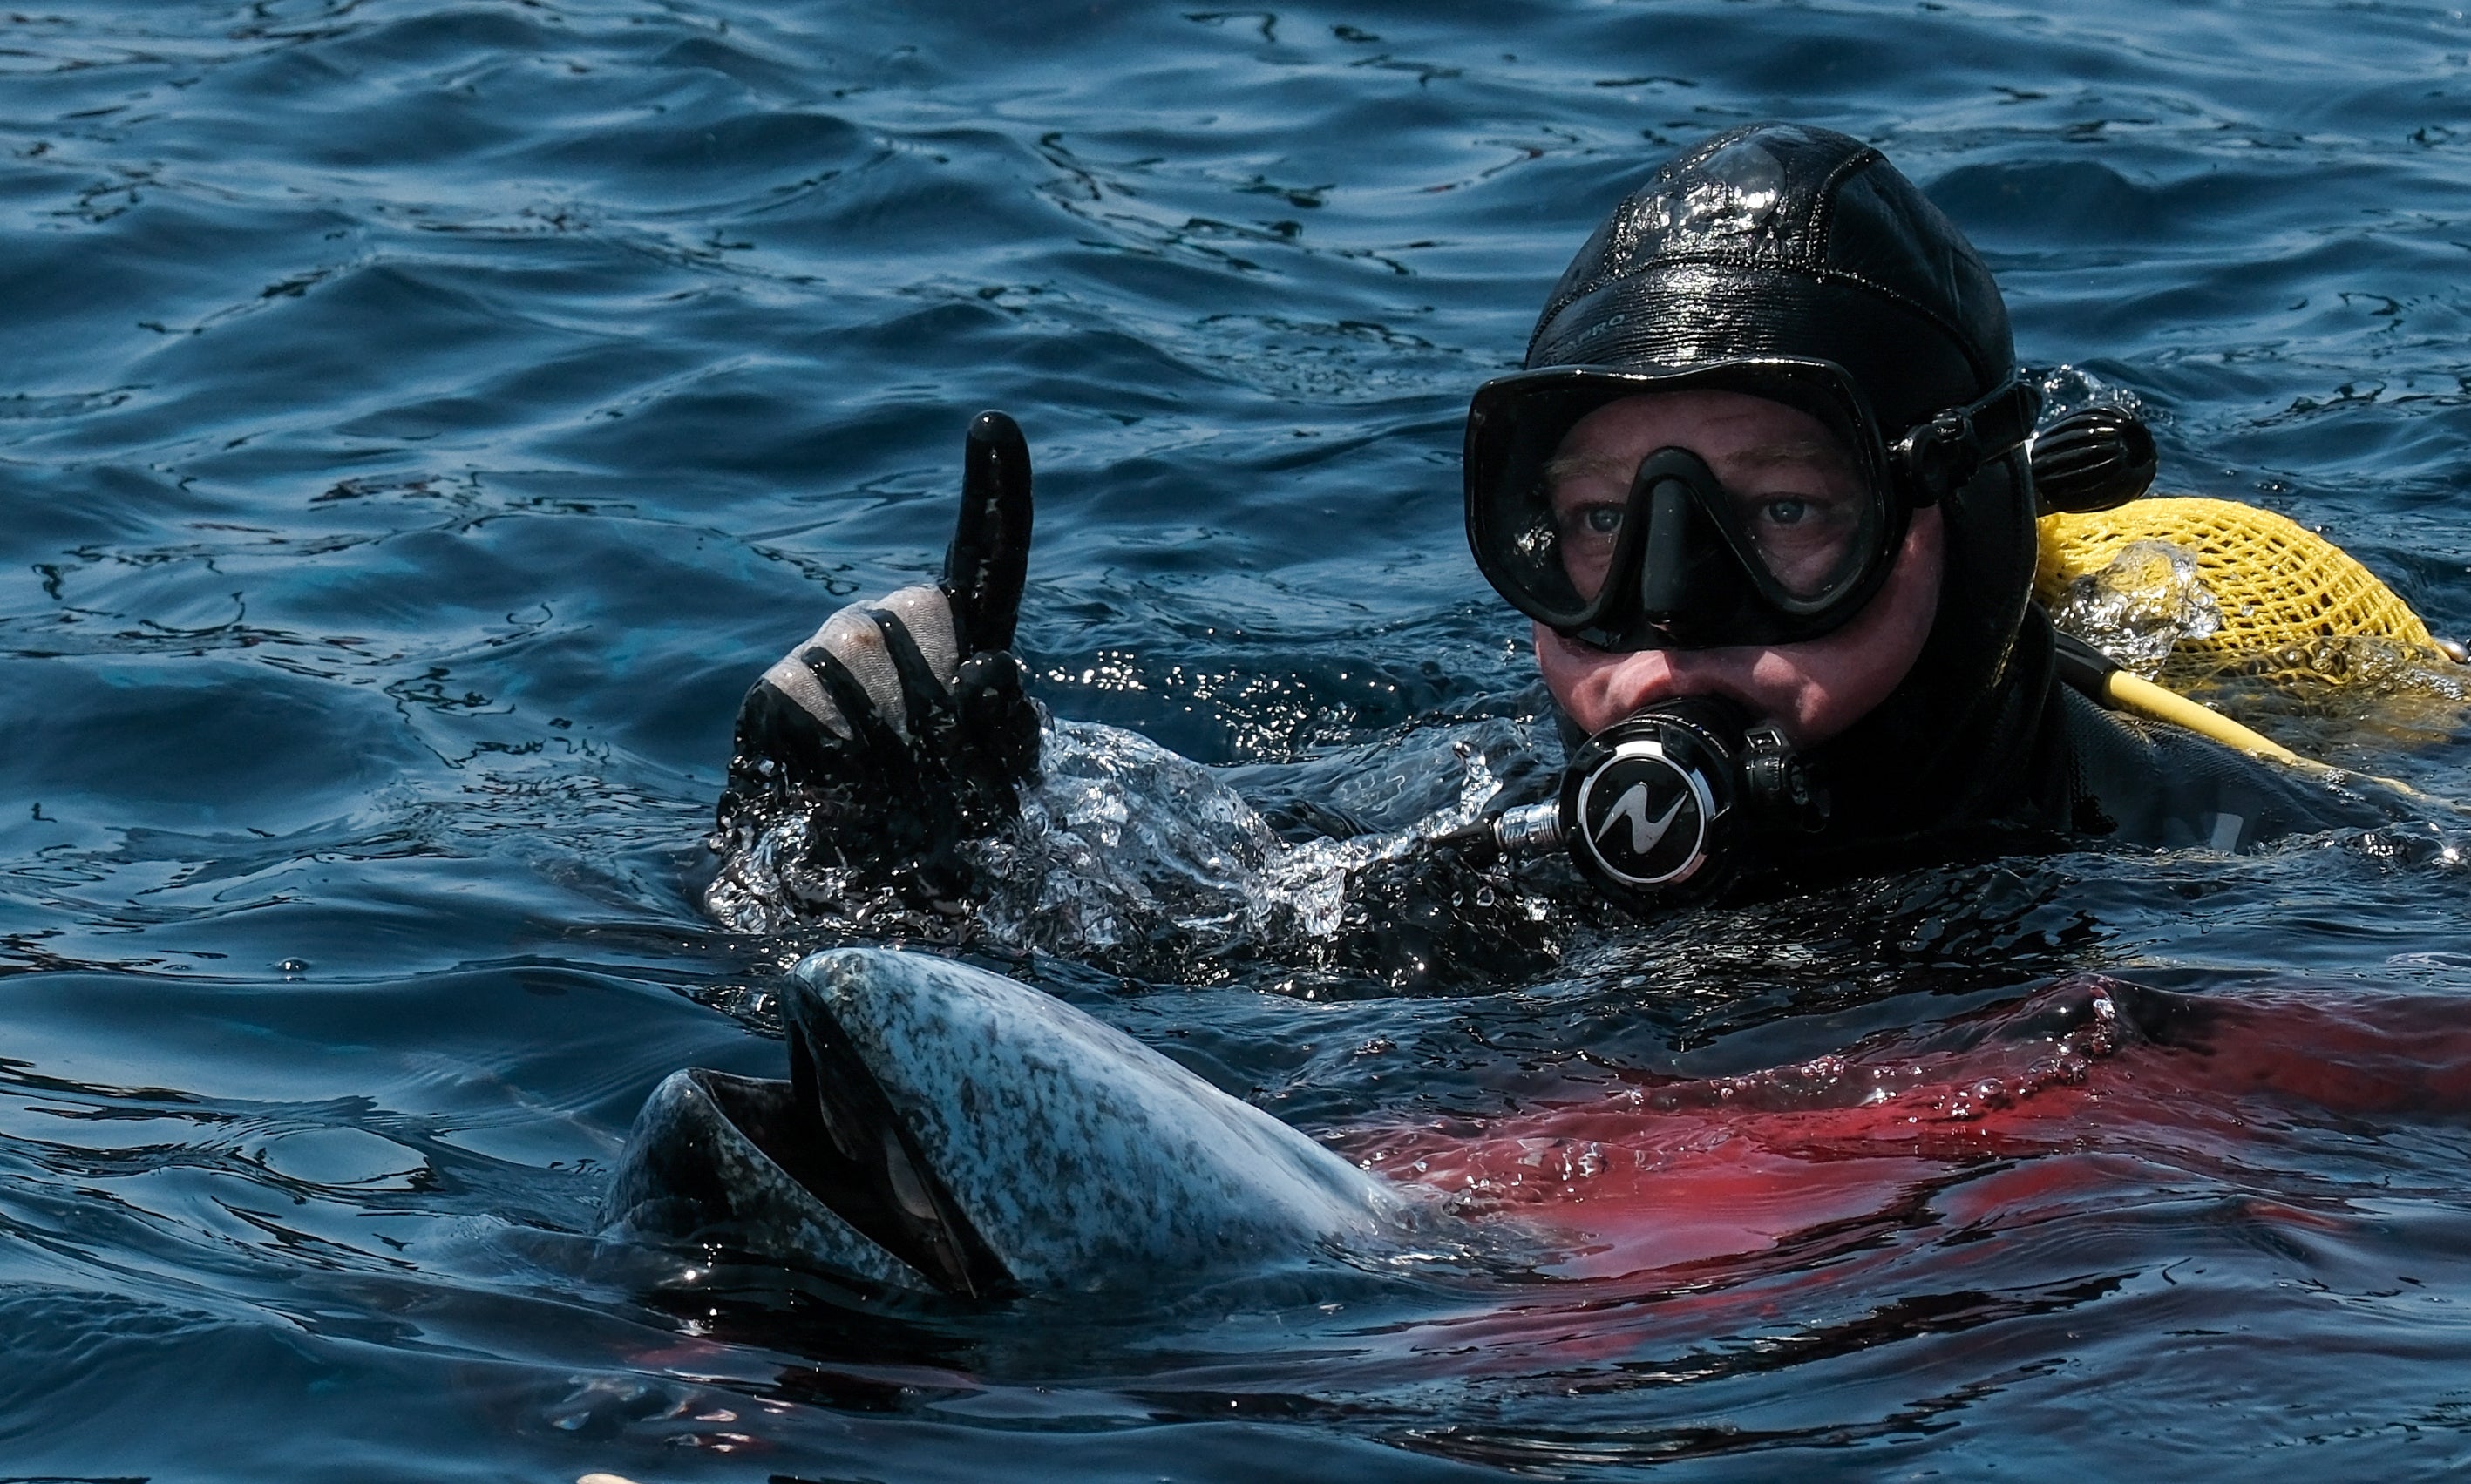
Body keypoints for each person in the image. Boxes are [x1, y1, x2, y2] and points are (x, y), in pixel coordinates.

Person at [704, 123, 2384, 953]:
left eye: (1786, 514)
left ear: (1970, 525)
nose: (1664, 625)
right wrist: (873, 855)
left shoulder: (2256, 887)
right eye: (1595, 525)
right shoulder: (1461, 845)